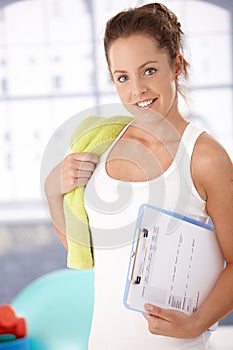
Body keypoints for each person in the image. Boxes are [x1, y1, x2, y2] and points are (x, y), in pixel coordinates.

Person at [44, 3, 233, 349]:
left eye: (148, 71)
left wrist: (197, 323)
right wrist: (52, 189)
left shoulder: (204, 157)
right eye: (123, 77)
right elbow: (85, 251)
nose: (137, 91)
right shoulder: (104, 146)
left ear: (177, 65)